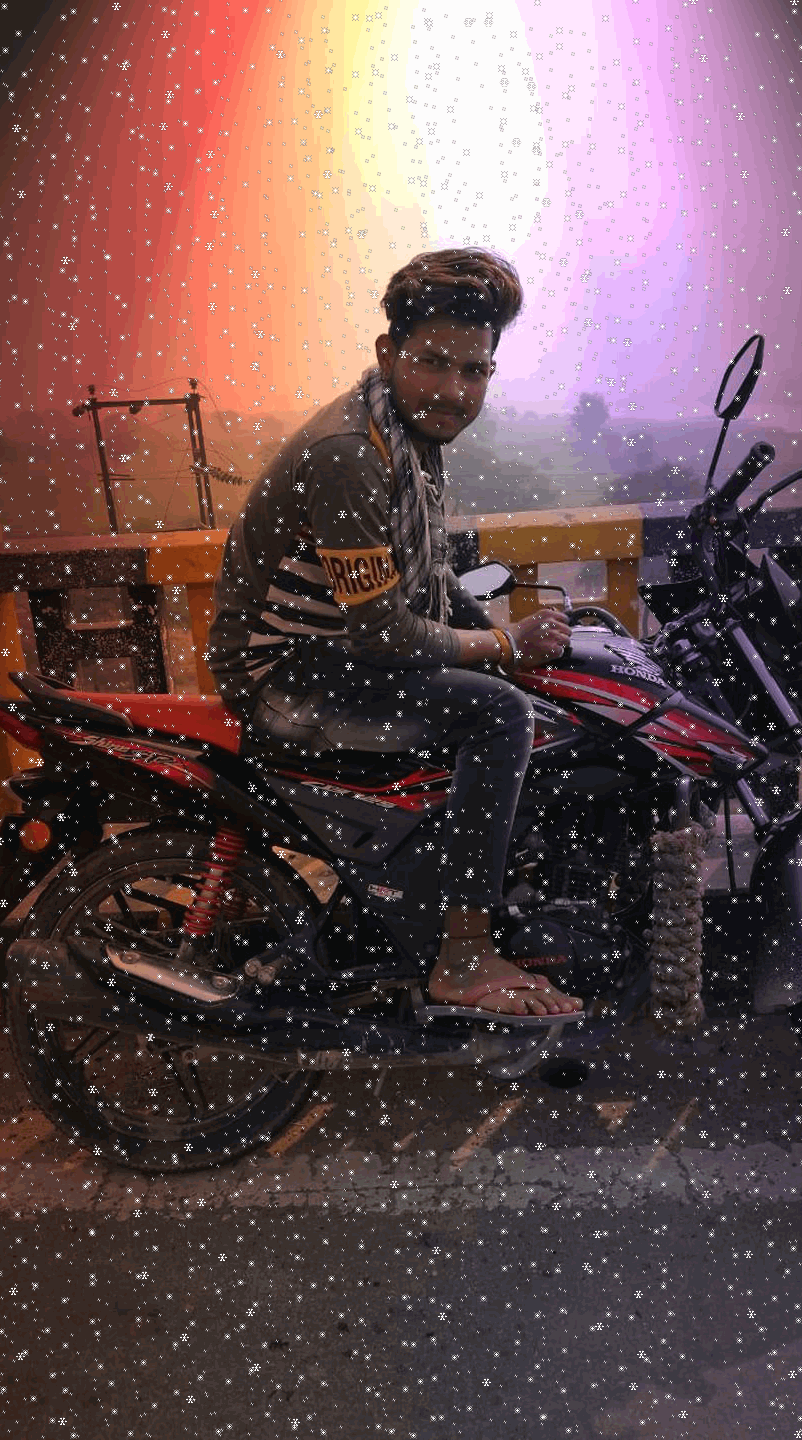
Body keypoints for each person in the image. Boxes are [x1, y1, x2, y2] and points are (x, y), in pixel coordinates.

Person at [208, 248, 581, 1018]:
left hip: (336, 655)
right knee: (500, 714)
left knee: (524, 696)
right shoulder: (352, 454)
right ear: (389, 353)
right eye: (433, 363)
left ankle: (432, 899)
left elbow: (431, 578)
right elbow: (382, 630)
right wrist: (504, 648)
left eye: (474, 371)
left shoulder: (408, 435)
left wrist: (508, 645)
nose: (453, 390)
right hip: (285, 674)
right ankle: (462, 955)